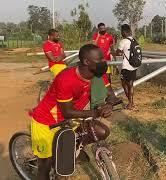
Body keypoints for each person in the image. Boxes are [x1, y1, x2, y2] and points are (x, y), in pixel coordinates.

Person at [31, 44, 118, 180]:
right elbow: (67, 112)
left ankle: (70, 153)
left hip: (73, 118)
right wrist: (95, 113)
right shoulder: (66, 79)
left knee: (102, 132)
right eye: (99, 59)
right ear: (86, 62)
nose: (104, 62)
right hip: (47, 122)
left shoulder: (98, 75)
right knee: (45, 167)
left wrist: (109, 105)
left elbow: (111, 95)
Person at [115, 24, 138, 110]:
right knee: (131, 85)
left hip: (126, 67)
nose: (121, 33)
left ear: (124, 32)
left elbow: (118, 52)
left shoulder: (123, 41)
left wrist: (119, 52)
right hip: (134, 66)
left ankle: (130, 103)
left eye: (121, 31)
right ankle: (131, 103)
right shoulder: (134, 40)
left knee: (124, 84)